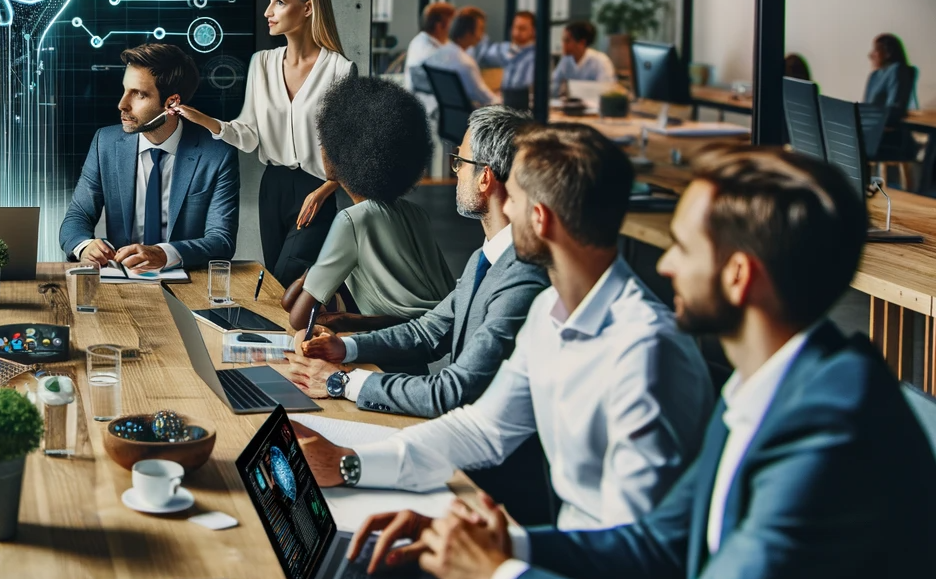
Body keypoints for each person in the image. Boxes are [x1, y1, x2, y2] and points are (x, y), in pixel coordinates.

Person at [371, 146, 936, 579]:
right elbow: (660, 544)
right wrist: (506, 549)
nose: (665, 267)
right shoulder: (772, 382)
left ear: (740, 276)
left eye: (684, 249)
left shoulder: (831, 427)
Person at [295, 124, 714, 530]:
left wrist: (504, 557)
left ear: (540, 218)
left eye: (512, 195)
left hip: (589, 575)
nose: (504, 208)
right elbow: (484, 428)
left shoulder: (645, 351)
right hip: (557, 555)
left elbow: (635, 546)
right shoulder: (552, 307)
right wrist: (350, 463)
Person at [289, 106, 546, 417]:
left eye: (460, 162)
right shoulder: (485, 257)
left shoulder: (522, 277)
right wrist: (345, 348)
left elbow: (451, 391)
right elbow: (427, 333)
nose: (456, 172)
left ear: (485, 178)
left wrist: (341, 381)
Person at [169, 0, 353, 287]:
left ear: (308, 7)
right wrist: (202, 119)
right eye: (269, 2)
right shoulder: (262, 64)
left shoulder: (340, 69)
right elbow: (249, 135)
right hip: (272, 188)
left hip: (316, 190)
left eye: (279, 2)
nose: (268, 12)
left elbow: (350, 148)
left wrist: (326, 189)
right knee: (287, 284)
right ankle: (315, 334)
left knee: (283, 284)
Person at [282, 74, 453, 332]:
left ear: (344, 150)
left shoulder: (352, 221)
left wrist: (346, 314)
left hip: (382, 356)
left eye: (323, 142)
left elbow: (297, 318)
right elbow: (441, 304)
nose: (321, 149)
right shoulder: (416, 214)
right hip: (421, 351)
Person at [60, 43, 240, 271]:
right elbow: (77, 216)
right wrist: (85, 246)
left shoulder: (217, 156)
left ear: (172, 103)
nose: (122, 104)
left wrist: (165, 254)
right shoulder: (104, 143)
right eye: (125, 90)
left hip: (187, 283)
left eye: (139, 94)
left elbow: (221, 240)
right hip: (120, 281)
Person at [418, 6, 500, 107]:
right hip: (468, 118)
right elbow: (486, 98)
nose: (482, 36)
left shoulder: (436, 55)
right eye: (481, 29)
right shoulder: (465, 64)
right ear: (468, 32)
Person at [475, 9, 537, 92]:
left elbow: (528, 88)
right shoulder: (511, 49)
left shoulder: (535, 56)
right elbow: (485, 55)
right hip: (506, 98)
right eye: (515, 27)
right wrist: (479, 30)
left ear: (533, 31)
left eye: (522, 29)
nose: (516, 32)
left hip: (521, 101)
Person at [551, 19, 615, 96]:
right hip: (571, 106)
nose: (563, 44)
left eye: (567, 41)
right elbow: (554, 84)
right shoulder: (566, 59)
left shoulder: (600, 61)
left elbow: (606, 91)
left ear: (582, 42)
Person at [865, 32, 917, 120]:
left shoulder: (897, 70)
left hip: (885, 128)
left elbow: (894, 108)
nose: (870, 55)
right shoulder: (875, 75)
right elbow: (866, 107)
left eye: (876, 50)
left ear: (888, 52)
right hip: (871, 126)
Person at [403, 1, 454, 72]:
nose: (455, 28)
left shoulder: (419, 41)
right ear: (439, 26)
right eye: (452, 23)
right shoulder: (432, 52)